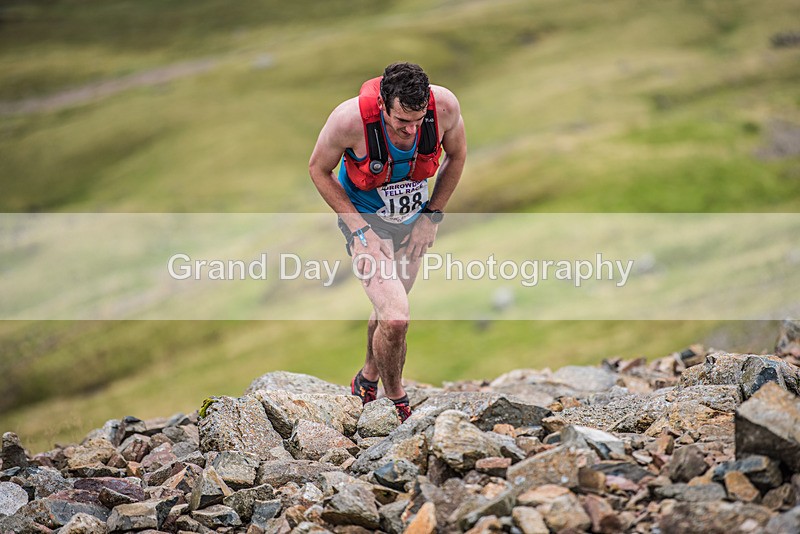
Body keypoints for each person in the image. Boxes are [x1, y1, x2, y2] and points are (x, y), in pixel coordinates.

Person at [308, 62, 467, 421]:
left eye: (417, 121)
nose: (411, 131)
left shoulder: (444, 108)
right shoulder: (348, 121)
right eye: (401, 123)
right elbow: (318, 169)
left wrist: (432, 216)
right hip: (368, 225)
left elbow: (457, 156)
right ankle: (395, 397)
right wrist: (359, 231)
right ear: (383, 105)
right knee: (396, 319)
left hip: (413, 226)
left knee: (389, 308)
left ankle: (365, 378)